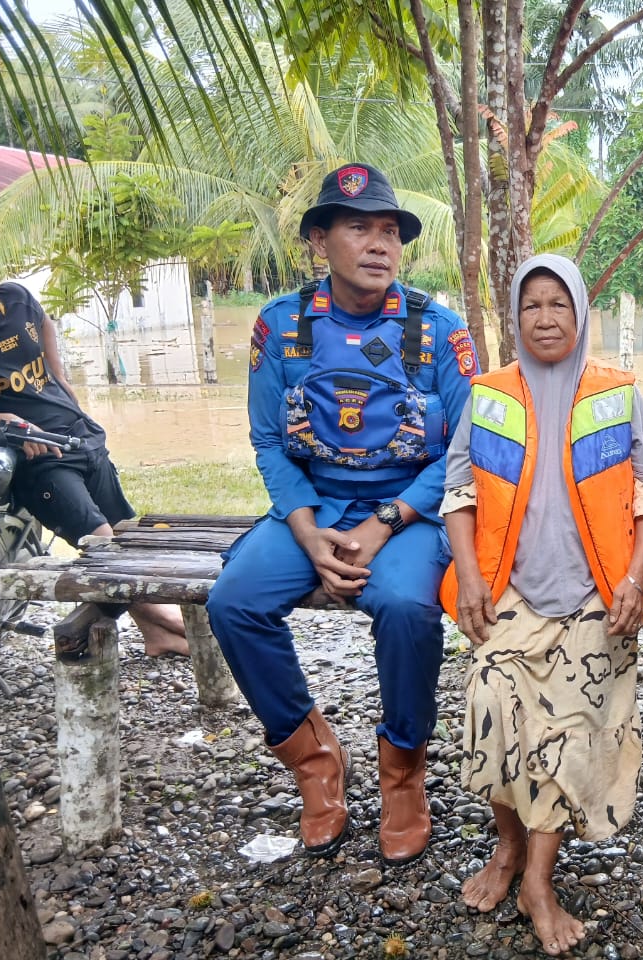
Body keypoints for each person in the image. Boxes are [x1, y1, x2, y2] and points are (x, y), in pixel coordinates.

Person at [206, 163, 476, 863]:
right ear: (320, 240)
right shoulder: (283, 326)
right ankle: (315, 761)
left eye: (390, 230)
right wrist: (303, 526)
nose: (380, 244)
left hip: (410, 511)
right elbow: (269, 440)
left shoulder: (438, 331)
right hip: (313, 503)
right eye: (360, 228)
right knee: (234, 599)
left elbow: (464, 455)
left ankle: (403, 772)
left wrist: (382, 521)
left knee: (408, 608)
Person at [440, 254, 643, 956]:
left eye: (559, 305)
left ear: (581, 313)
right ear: (515, 318)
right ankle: (507, 848)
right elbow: (458, 491)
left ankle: (537, 881)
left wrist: (634, 579)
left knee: (567, 734)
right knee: (490, 713)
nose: (546, 318)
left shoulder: (619, 392)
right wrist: (471, 576)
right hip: (510, 590)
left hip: (598, 597)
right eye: (532, 306)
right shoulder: (487, 394)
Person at [0, 227, 188, 657]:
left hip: (79, 435)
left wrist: (61, 380)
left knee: (124, 531)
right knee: (99, 540)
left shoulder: (16, 297)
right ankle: (166, 624)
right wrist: (5, 421)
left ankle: (155, 633)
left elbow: (43, 323)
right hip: (40, 460)